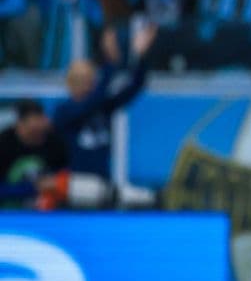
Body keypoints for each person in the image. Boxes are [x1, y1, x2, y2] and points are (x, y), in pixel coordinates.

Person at [53, 25, 155, 180]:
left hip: (102, 179)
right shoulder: (64, 111)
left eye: (90, 80)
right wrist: (111, 60)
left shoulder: (103, 107)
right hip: (73, 181)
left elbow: (136, 85)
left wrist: (140, 56)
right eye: (80, 80)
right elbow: (89, 105)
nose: (87, 85)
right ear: (69, 83)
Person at [0, 98, 67, 208]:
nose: (37, 136)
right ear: (19, 125)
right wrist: (32, 188)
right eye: (32, 131)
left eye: (40, 131)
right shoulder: (4, 143)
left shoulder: (55, 142)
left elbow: (64, 175)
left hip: (49, 211)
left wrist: (56, 183)